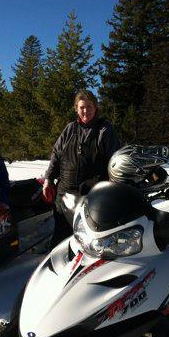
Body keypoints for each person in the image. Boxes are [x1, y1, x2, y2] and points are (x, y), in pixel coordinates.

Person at [43, 90, 121, 246]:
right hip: (65, 193)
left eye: (89, 106)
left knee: (89, 240)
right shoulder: (70, 129)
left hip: (91, 194)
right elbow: (56, 155)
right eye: (82, 107)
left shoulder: (104, 130)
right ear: (76, 109)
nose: (85, 111)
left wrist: (112, 188)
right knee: (60, 239)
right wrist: (48, 179)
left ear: (95, 107)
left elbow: (115, 161)